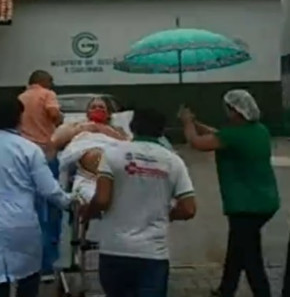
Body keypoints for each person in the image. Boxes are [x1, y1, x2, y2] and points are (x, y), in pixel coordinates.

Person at [0, 96, 75, 297]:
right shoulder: (29, 149)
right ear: (19, 118)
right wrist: (72, 202)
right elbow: (49, 190)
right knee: (27, 280)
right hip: (22, 223)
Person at [81, 107, 196, 297]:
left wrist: (88, 213)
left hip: (115, 250)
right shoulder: (174, 161)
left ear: (132, 127)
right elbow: (189, 209)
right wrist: (166, 214)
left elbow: (102, 199)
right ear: (162, 131)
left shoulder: (112, 154)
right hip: (153, 254)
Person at [179, 89, 280, 297]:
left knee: (250, 257)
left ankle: (262, 293)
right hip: (264, 201)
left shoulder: (234, 136)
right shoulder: (259, 130)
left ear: (236, 111)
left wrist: (187, 122)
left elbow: (197, 143)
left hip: (246, 205)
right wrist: (197, 124)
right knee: (238, 249)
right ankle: (226, 289)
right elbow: (218, 134)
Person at [18, 70, 63, 281]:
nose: (52, 84)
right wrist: (60, 119)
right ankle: (48, 260)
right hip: (45, 154)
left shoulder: (20, 98)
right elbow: (53, 114)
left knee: (32, 207)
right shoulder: (47, 94)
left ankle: (29, 262)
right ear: (43, 81)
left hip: (23, 156)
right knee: (52, 203)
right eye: (51, 81)